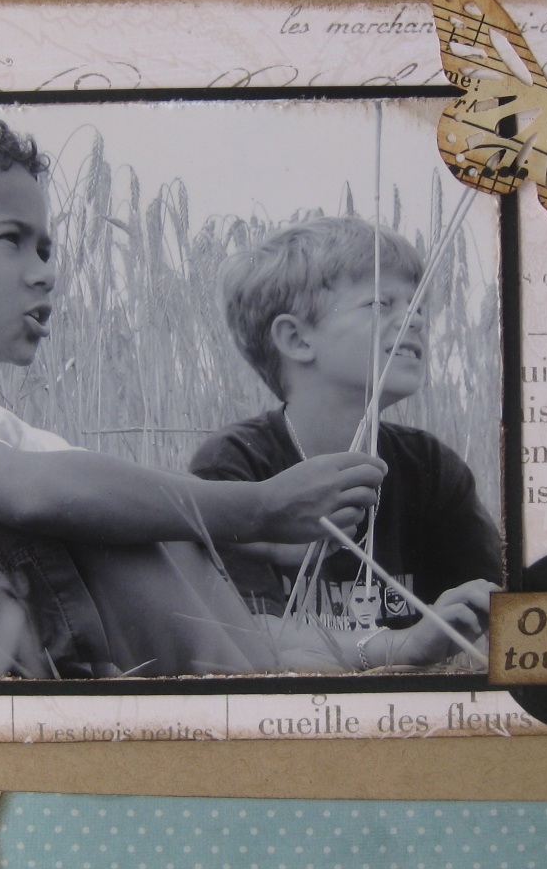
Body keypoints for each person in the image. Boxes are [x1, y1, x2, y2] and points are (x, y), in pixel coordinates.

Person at [0, 115, 480, 680]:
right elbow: (47, 497)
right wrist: (255, 509)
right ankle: (255, 711)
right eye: (13, 241)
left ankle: (269, 693)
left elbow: (134, 514)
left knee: (142, 514)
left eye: (46, 250)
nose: (45, 274)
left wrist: (389, 645)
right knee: (97, 512)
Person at [191, 215, 504, 662]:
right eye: (381, 303)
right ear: (296, 338)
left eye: (417, 305)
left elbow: (496, 599)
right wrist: (400, 647)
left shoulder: (430, 465)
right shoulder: (235, 464)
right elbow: (247, 632)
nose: (414, 319)